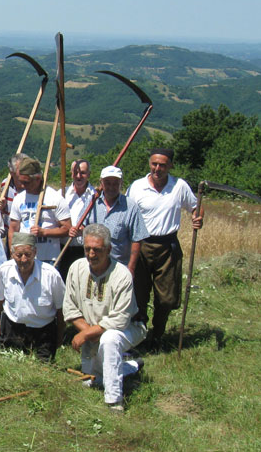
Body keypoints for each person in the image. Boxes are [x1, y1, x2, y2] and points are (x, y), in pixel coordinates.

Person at [63, 224, 146, 413]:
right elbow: (69, 307)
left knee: (109, 340)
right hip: (91, 330)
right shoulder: (76, 268)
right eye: (87, 249)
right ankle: (131, 366)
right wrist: (88, 332)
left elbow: (120, 320)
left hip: (127, 328)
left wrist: (86, 335)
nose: (91, 254)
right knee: (95, 377)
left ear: (108, 250)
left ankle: (114, 401)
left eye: (97, 250)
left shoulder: (122, 274)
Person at [126, 149, 203, 347]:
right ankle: (140, 335)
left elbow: (196, 206)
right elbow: (127, 212)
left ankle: (157, 333)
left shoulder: (179, 187)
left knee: (167, 298)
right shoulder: (137, 187)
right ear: (149, 164)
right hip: (141, 245)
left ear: (170, 166)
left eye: (162, 165)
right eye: (154, 164)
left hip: (168, 246)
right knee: (138, 294)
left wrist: (198, 217)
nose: (157, 169)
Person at [0, 232, 65, 362]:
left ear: (35, 252)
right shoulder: (4, 270)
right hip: (12, 328)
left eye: (28, 254)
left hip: (43, 331)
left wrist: (59, 337)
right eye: (19, 255)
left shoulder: (51, 275)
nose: (24, 260)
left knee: (41, 368)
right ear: (12, 253)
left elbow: (61, 309)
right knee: (8, 367)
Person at [70, 166, 149, 275]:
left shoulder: (130, 207)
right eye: (107, 182)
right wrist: (77, 231)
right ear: (101, 183)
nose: (111, 187)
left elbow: (137, 239)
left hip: (119, 268)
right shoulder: (92, 202)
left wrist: (131, 268)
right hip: (92, 266)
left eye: (115, 183)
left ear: (121, 183)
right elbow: (82, 227)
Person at [8, 156, 71, 262]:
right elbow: (13, 230)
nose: (23, 185)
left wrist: (44, 232)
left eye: (26, 182)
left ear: (37, 178)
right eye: (21, 181)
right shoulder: (19, 199)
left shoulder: (55, 198)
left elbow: (67, 228)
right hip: (24, 258)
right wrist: (12, 252)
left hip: (48, 258)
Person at [58, 159, 96, 279]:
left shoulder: (95, 196)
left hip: (86, 250)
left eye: (83, 173)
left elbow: (100, 224)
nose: (79, 176)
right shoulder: (62, 194)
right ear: (71, 173)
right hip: (63, 249)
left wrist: (84, 231)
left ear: (89, 174)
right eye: (76, 172)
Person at [0, 153, 28, 227]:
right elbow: (3, 211)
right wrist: (1, 207)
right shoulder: (5, 185)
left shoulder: (32, 186)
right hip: (10, 232)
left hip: (28, 233)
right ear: (11, 172)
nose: (25, 173)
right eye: (21, 171)